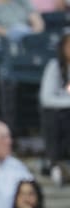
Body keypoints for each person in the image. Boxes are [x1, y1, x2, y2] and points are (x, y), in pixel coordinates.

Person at [39, 29, 70, 184]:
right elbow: (46, 99)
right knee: (56, 116)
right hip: (60, 116)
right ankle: (56, 161)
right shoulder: (54, 67)